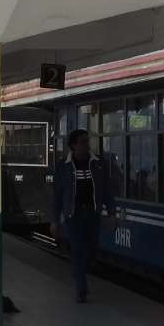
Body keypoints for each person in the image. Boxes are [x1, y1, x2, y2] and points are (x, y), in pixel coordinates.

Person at [50, 129, 118, 303]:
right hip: (74, 213)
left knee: (92, 249)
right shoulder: (63, 165)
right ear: (73, 146)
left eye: (87, 141)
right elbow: (57, 194)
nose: (87, 144)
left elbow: (107, 190)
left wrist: (112, 213)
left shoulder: (98, 163)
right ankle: (81, 288)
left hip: (92, 212)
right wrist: (55, 219)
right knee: (78, 249)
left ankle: (77, 271)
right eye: (83, 142)